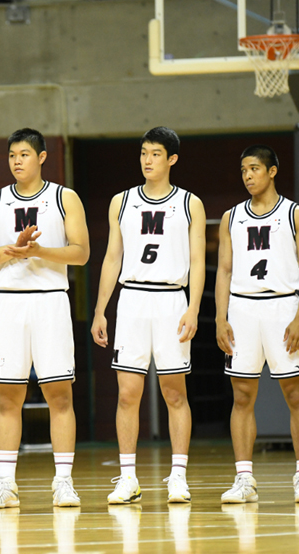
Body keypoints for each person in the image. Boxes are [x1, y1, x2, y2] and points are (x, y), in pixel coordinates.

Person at [0, 128, 90, 509]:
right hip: (8, 303)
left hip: (50, 301)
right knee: (8, 397)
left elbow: (81, 253)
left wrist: (39, 251)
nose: (17, 161)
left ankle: (63, 482)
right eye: (11, 155)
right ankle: (6, 484)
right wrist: (12, 250)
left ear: (41, 157)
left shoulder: (64, 197)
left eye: (24, 154)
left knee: (59, 394)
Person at [91, 127, 206, 504]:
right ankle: (128, 478)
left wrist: (193, 307)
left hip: (172, 300)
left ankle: (178, 477)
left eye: (155, 153)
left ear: (172, 159)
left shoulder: (189, 203)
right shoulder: (121, 201)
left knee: (174, 392)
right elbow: (112, 258)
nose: (147, 160)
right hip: (132, 301)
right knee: (127, 393)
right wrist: (100, 310)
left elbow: (198, 261)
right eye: (143, 153)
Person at [215, 145, 299, 504]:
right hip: (242, 308)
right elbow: (224, 270)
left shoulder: (296, 215)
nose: (248, 176)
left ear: (272, 171)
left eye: (254, 168)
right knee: (242, 396)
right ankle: (244, 479)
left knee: (295, 394)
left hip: (282, 307)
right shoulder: (231, 217)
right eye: (243, 170)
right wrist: (220, 317)